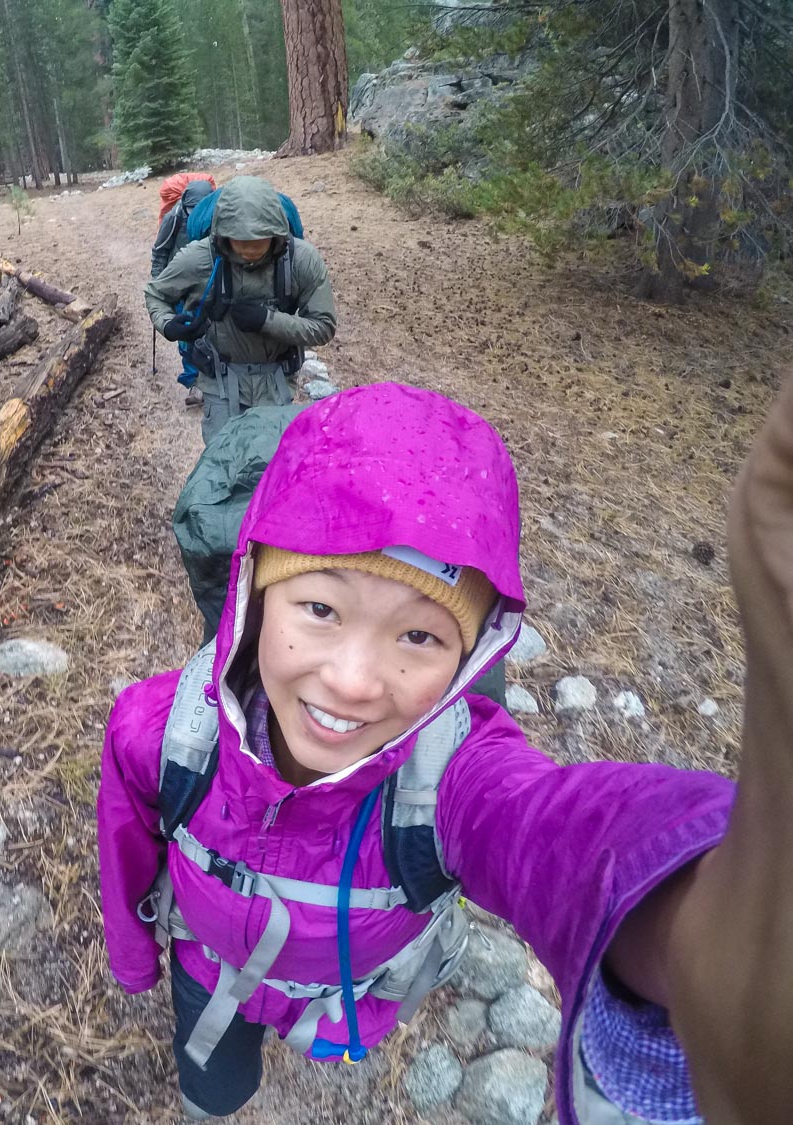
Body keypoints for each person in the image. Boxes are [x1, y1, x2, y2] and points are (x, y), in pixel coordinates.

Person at [97, 381, 787, 1122]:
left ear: (468, 657)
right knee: (216, 1093)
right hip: (210, 974)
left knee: (324, 1041)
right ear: (257, 595)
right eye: (320, 608)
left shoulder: (455, 782)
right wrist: (136, 961)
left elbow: (568, 841)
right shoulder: (163, 729)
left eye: (420, 636)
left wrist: (733, 920)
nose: (354, 681)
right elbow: (127, 851)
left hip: (346, 995)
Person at [144, 175, 336, 445]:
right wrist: (167, 324)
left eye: (258, 240)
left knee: (267, 466)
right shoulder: (201, 258)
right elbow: (155, 292)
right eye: (239, 241)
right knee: (223, 464)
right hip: (219, 380)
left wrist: (267, 320)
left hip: (276, 381)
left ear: (276, 231)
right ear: (223, 232)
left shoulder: (301, 260)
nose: (249, 250)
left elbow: (323, 325)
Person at [151, 174, 218, 408]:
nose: (194, 216)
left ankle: (211, 377)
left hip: (207, 282)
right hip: (179, 283)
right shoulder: (174, 217)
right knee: (186, 333)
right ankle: (194, 381)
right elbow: (160, 251)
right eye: (191, 210)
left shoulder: (217, 216)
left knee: (211, 330)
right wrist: (159, 285)